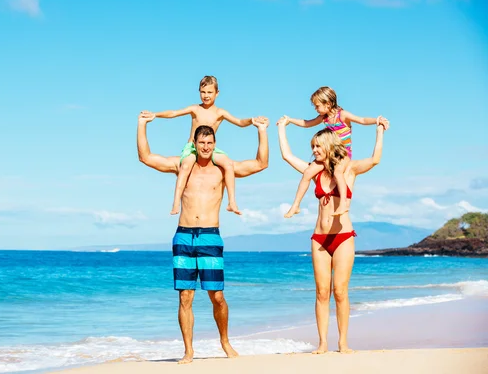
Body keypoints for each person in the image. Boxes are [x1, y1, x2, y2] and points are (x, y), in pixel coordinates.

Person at [137, 112, 269, 364]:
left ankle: (225, 341)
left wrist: (262, 131)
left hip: (210, 236)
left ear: (214, 144)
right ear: (194, 144)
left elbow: (260, 163)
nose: (206, 147)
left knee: (216, 296)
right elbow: (146, 157)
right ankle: (188, 350)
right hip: (184, 236)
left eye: (210, 143)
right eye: (201, 143)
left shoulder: (222, 168)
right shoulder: (182, 165)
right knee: (185, 296)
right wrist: (142, 124)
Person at [277, 115, 387, 354]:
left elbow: (376, 159)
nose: (314, 150)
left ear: (328, 146)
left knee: (339, 291)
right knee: (322, 292)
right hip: (319, 238)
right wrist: (281, 129)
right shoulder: (314, 171)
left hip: (343, 236)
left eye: (317, 146)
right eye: (312, 147)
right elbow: (287, 156)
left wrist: (379, 130)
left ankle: (343, 342)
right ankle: (323, 343)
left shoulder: (349, 169)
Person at [142, 75, 256, 216]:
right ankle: (176, 202)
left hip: (209, 148)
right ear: (199, 92)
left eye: (209, 92)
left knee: (228, 164)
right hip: (192, 148)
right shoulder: (195, 109)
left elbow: (239, 122)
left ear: (217, 93)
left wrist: (252, 120)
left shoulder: (220, 112)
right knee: (186, 165)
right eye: (203, 92)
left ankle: (232, 202)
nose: (206, 96)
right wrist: (155, 114)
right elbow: (173, 113)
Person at [281, 86, 388, 218]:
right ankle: (296, 205)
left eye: (317, 106)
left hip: (343, 154)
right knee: (308, 172)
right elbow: (307, 123)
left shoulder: (342, 115)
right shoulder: (323, 117)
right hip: (329, 154)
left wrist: (377, 120)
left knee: (338, 172)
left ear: (329, 104)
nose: (316, 109)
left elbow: (362, 120)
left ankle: (343, 203)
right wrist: (290, 120)